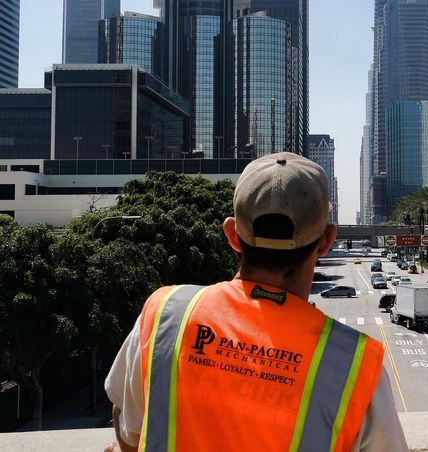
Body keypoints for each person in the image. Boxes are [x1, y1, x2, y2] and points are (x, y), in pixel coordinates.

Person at [104, 152, 407, 452]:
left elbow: (127, 425)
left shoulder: (163, 314)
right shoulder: (354, 366)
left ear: (232, 235)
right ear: (327, 241)